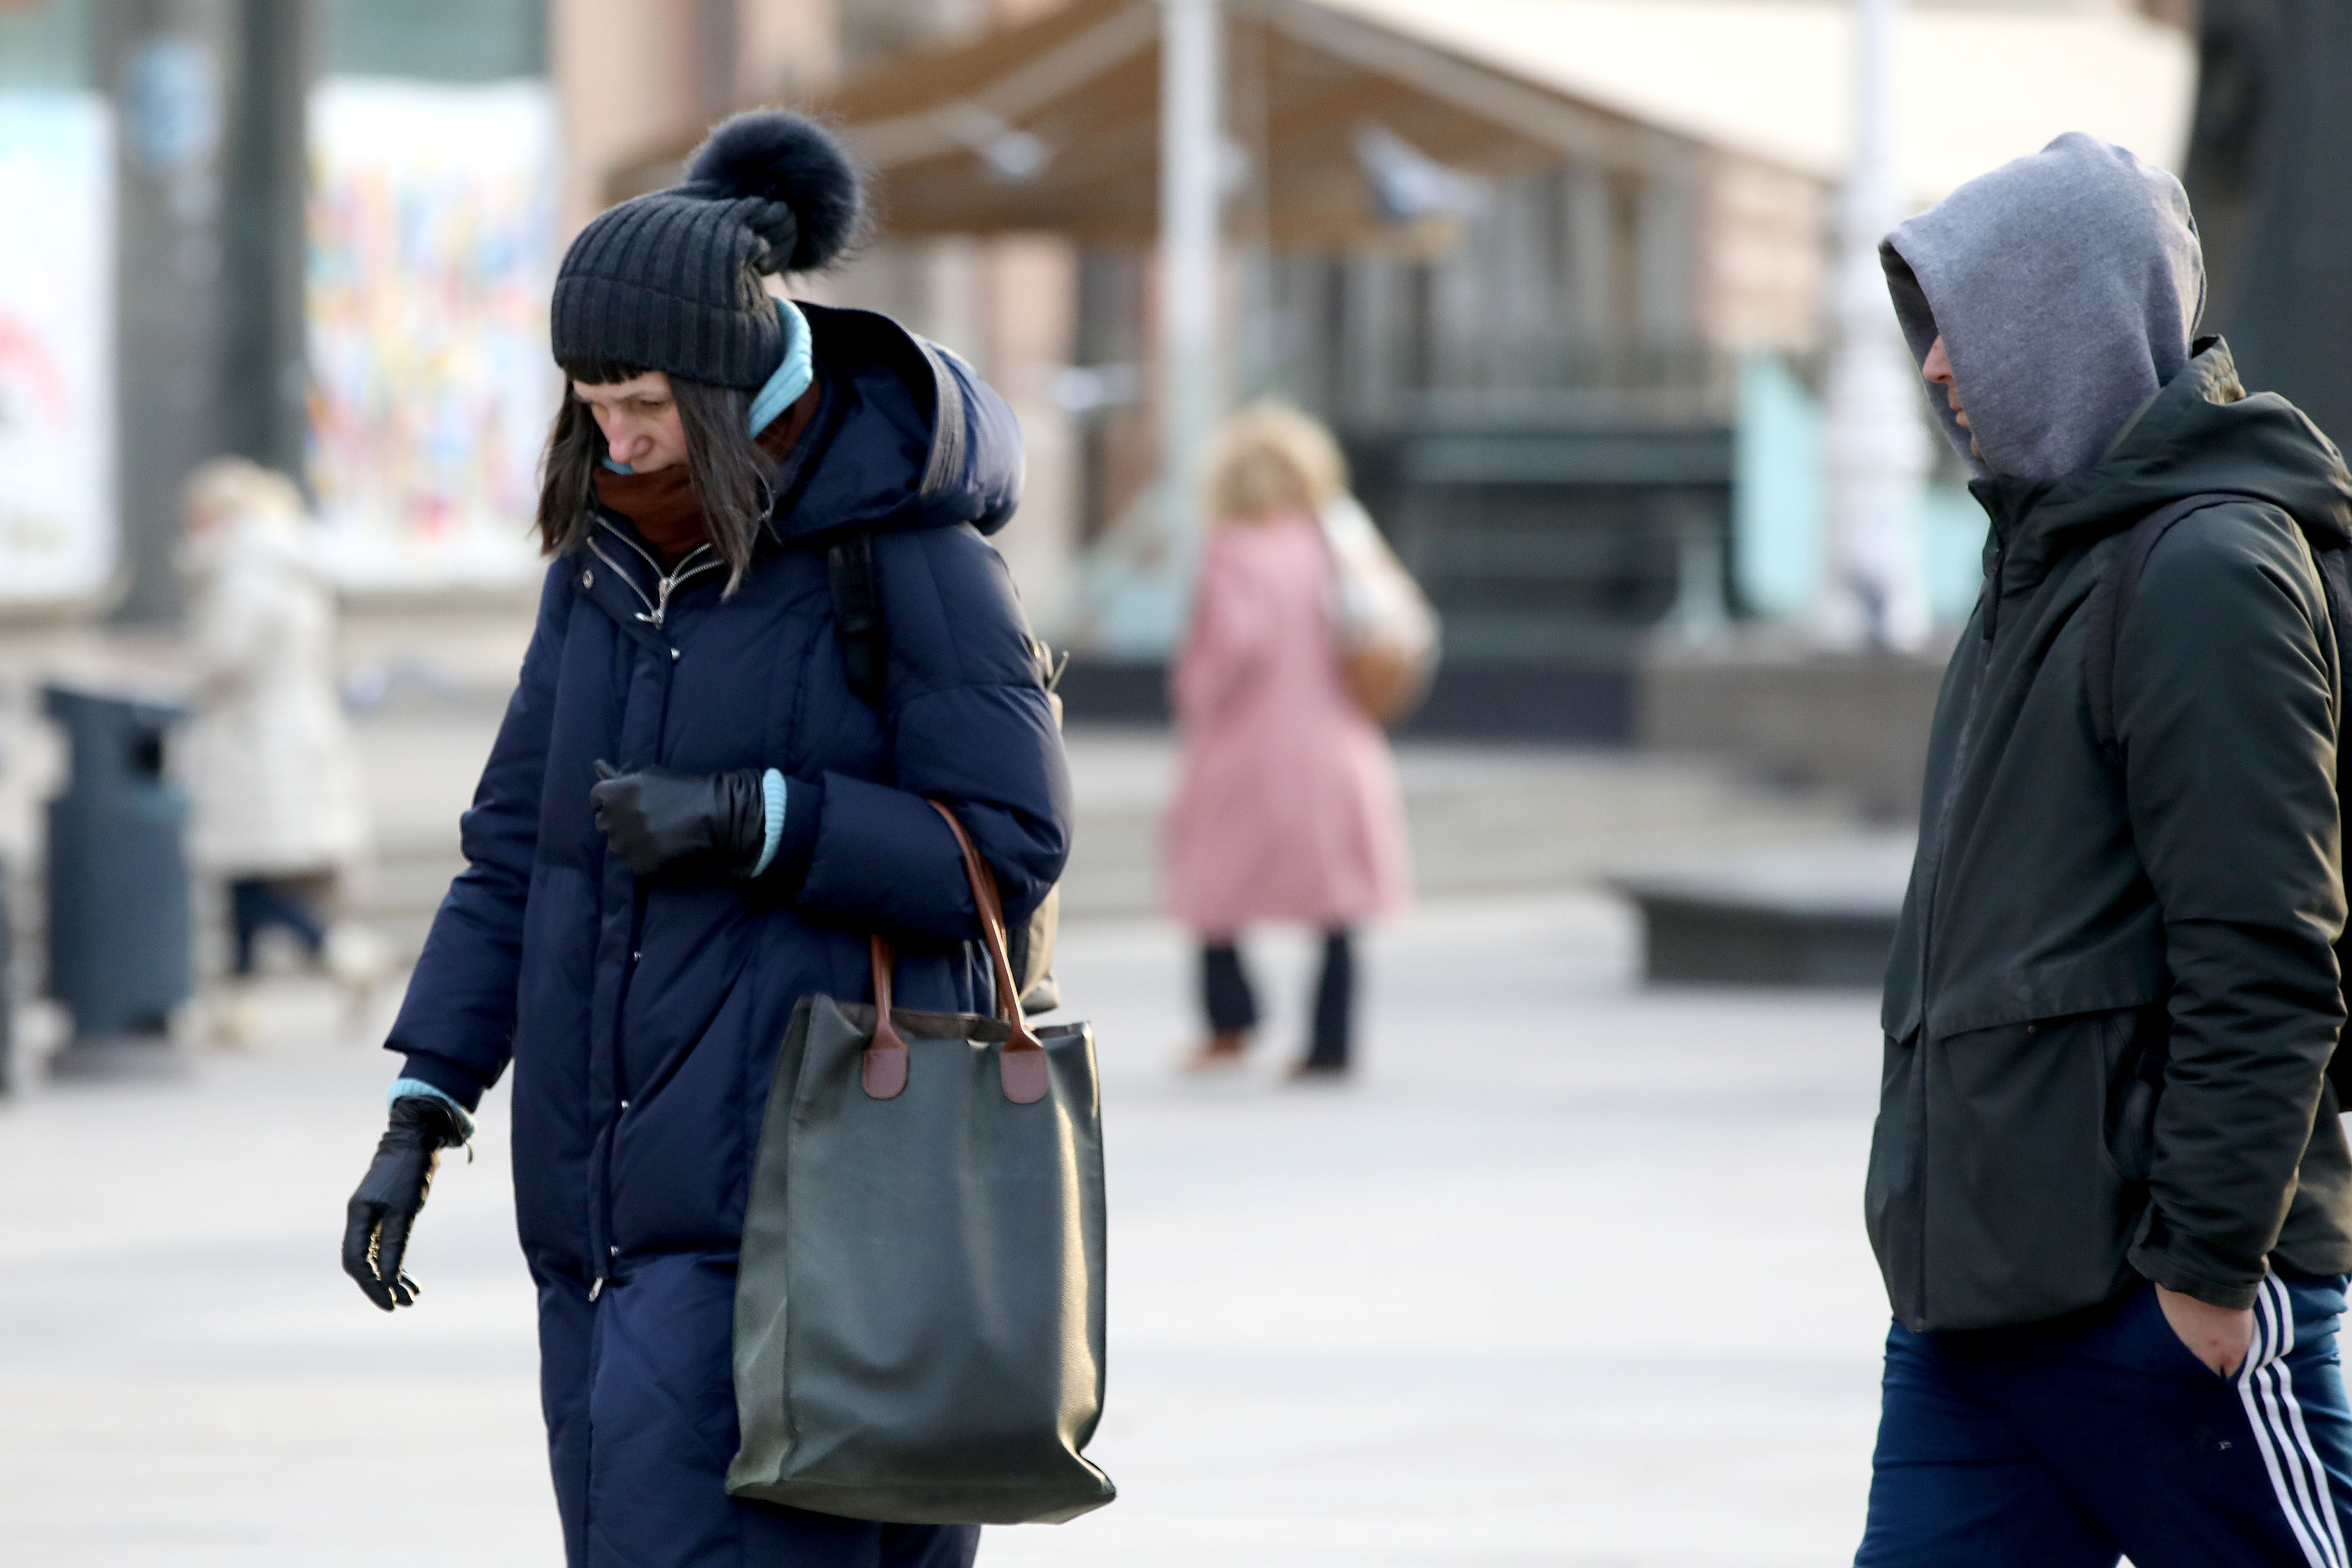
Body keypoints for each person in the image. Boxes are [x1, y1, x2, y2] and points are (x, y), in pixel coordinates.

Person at [337, 112, 1068, 1568]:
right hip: (600, 1222)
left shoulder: (908, 554)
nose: (616, 437)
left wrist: (759, 819)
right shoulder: (599, 566)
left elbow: (1000, 848)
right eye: (590, 403)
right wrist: (427, 1102)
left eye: (644, 404)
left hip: (820, 1209)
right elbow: (514, 854)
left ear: (729, 384)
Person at [1857, 133, 2352, 1566]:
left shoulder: (2204, 568)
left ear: (2064, 326)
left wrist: (2202, 1271)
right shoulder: (2034, 565)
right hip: (1970, 1315)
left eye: (1965, 324)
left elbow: (2266, 950)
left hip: (2152, 1308)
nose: (1935, 365)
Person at [1162, 402, 1409, 1078]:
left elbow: (1234, 643)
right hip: (1339, 740)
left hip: (1246, 747)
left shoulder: (1233, 548)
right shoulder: (1335, 541)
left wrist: (1194, 692)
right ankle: (1331, 1044)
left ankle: (1229, 1021)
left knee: (1212, 882)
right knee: (1338, 902)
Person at [178, 457, 382, 1041]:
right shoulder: (290, 562)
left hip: (257, 743)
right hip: (295, 733)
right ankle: (237, 1003)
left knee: (246, 877)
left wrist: (189, 669)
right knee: (243, 875)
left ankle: (340, 951)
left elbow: (226, 656)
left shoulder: (247, 569)